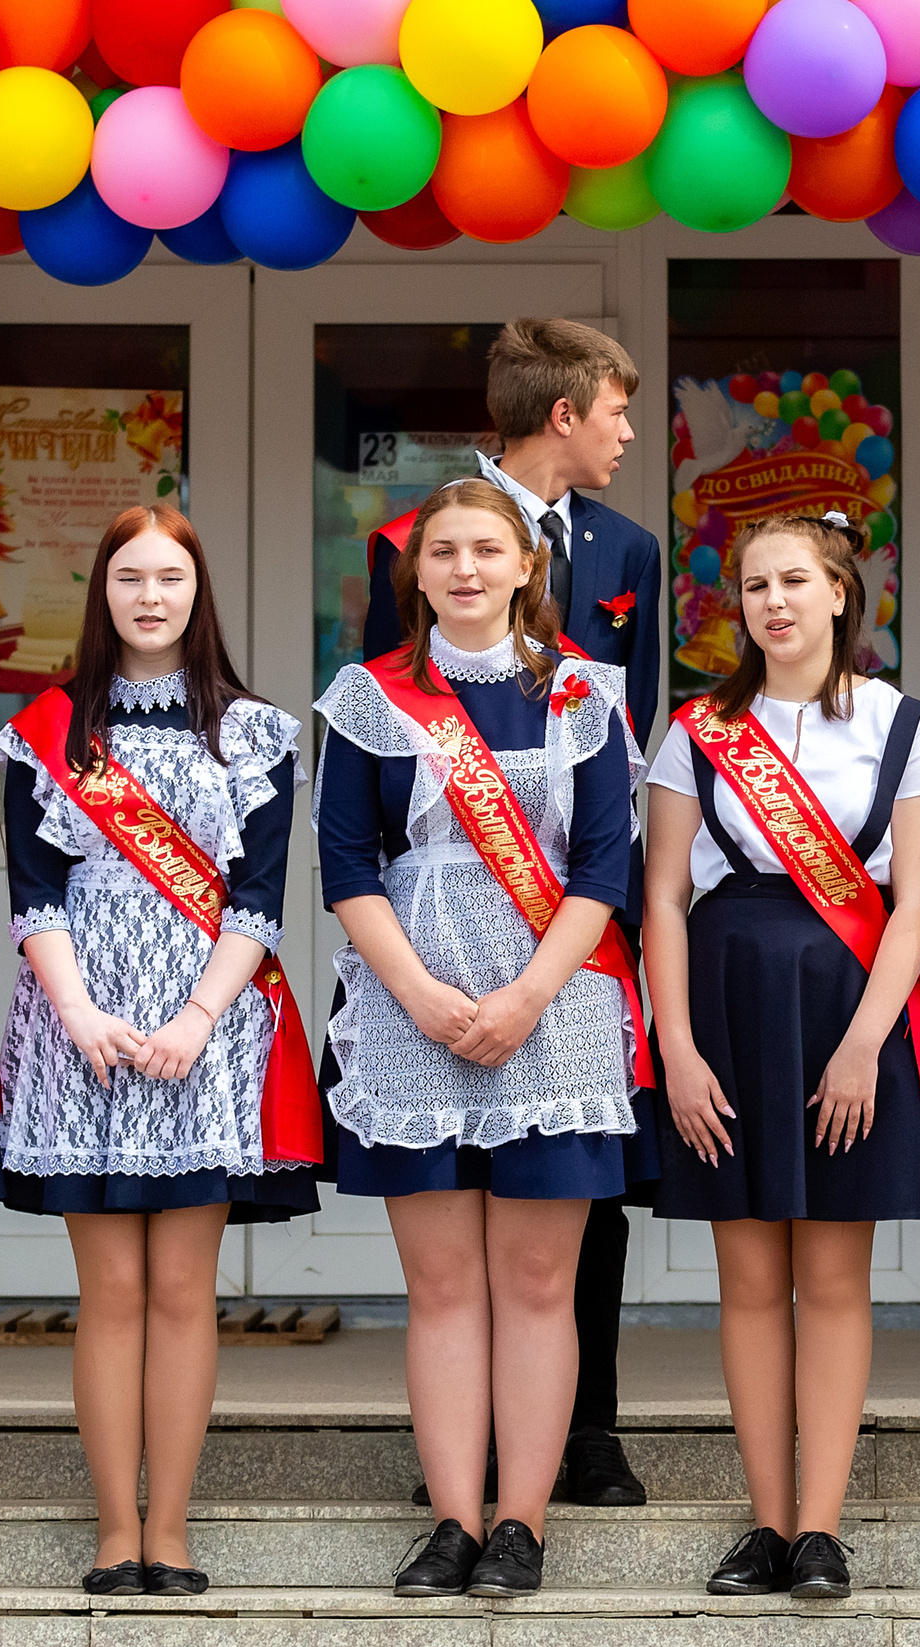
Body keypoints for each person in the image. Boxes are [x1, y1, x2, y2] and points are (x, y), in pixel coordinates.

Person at [318, 479, 650, 1599]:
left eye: (486, 550)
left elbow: (606, 870)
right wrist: (416, 994)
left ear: (526, 567)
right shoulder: (370, 698)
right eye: (441, 552)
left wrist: (524, 998)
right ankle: (453, 1520)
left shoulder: (584, 698)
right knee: (444, 1286)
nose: (463, 568)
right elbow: (347, 866)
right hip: (414, 1010)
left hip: (552, 1014)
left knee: (538, 1282)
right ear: (413, 575)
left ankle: (522, 1524)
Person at [645, 513, 920, 1600]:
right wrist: (678, 1051)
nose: (772, 602)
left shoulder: (905, 727)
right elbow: (661, 898)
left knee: (832, 1279)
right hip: (730, 1003)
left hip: (851, 1007)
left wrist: (863, 1048)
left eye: (795, 580)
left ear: (842, 592)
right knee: (746, 1281)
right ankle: (767, 1524)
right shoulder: (696, 728)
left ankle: (823, 1527)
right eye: (753, 586)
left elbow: (918, 900)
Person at [362, 317, 661, 1507]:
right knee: (456, 1198)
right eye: (616, 411)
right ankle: (459, 1447)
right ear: (562, 416)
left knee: (576, 1182)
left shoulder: (629, 546)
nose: (630, 434)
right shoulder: (416, 535)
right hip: (447, 906)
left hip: (581, 893)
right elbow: (396, 720)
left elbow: (638, 727)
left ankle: (584, 1428)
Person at [0, 503, 316, 1599]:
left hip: (204, 1029)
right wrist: (79, 1012)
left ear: (197, 591)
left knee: (184, 1291)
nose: (148, 597)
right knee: (111, 1295)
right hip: (83, 1029)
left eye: (168, 578)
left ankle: (170, 1527)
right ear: (102, 592)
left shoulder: (255, 732)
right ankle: (111, 1528)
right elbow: (29, 892)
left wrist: (194, 1019)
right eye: (128, 578)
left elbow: (260, 899)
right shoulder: (43, 732)